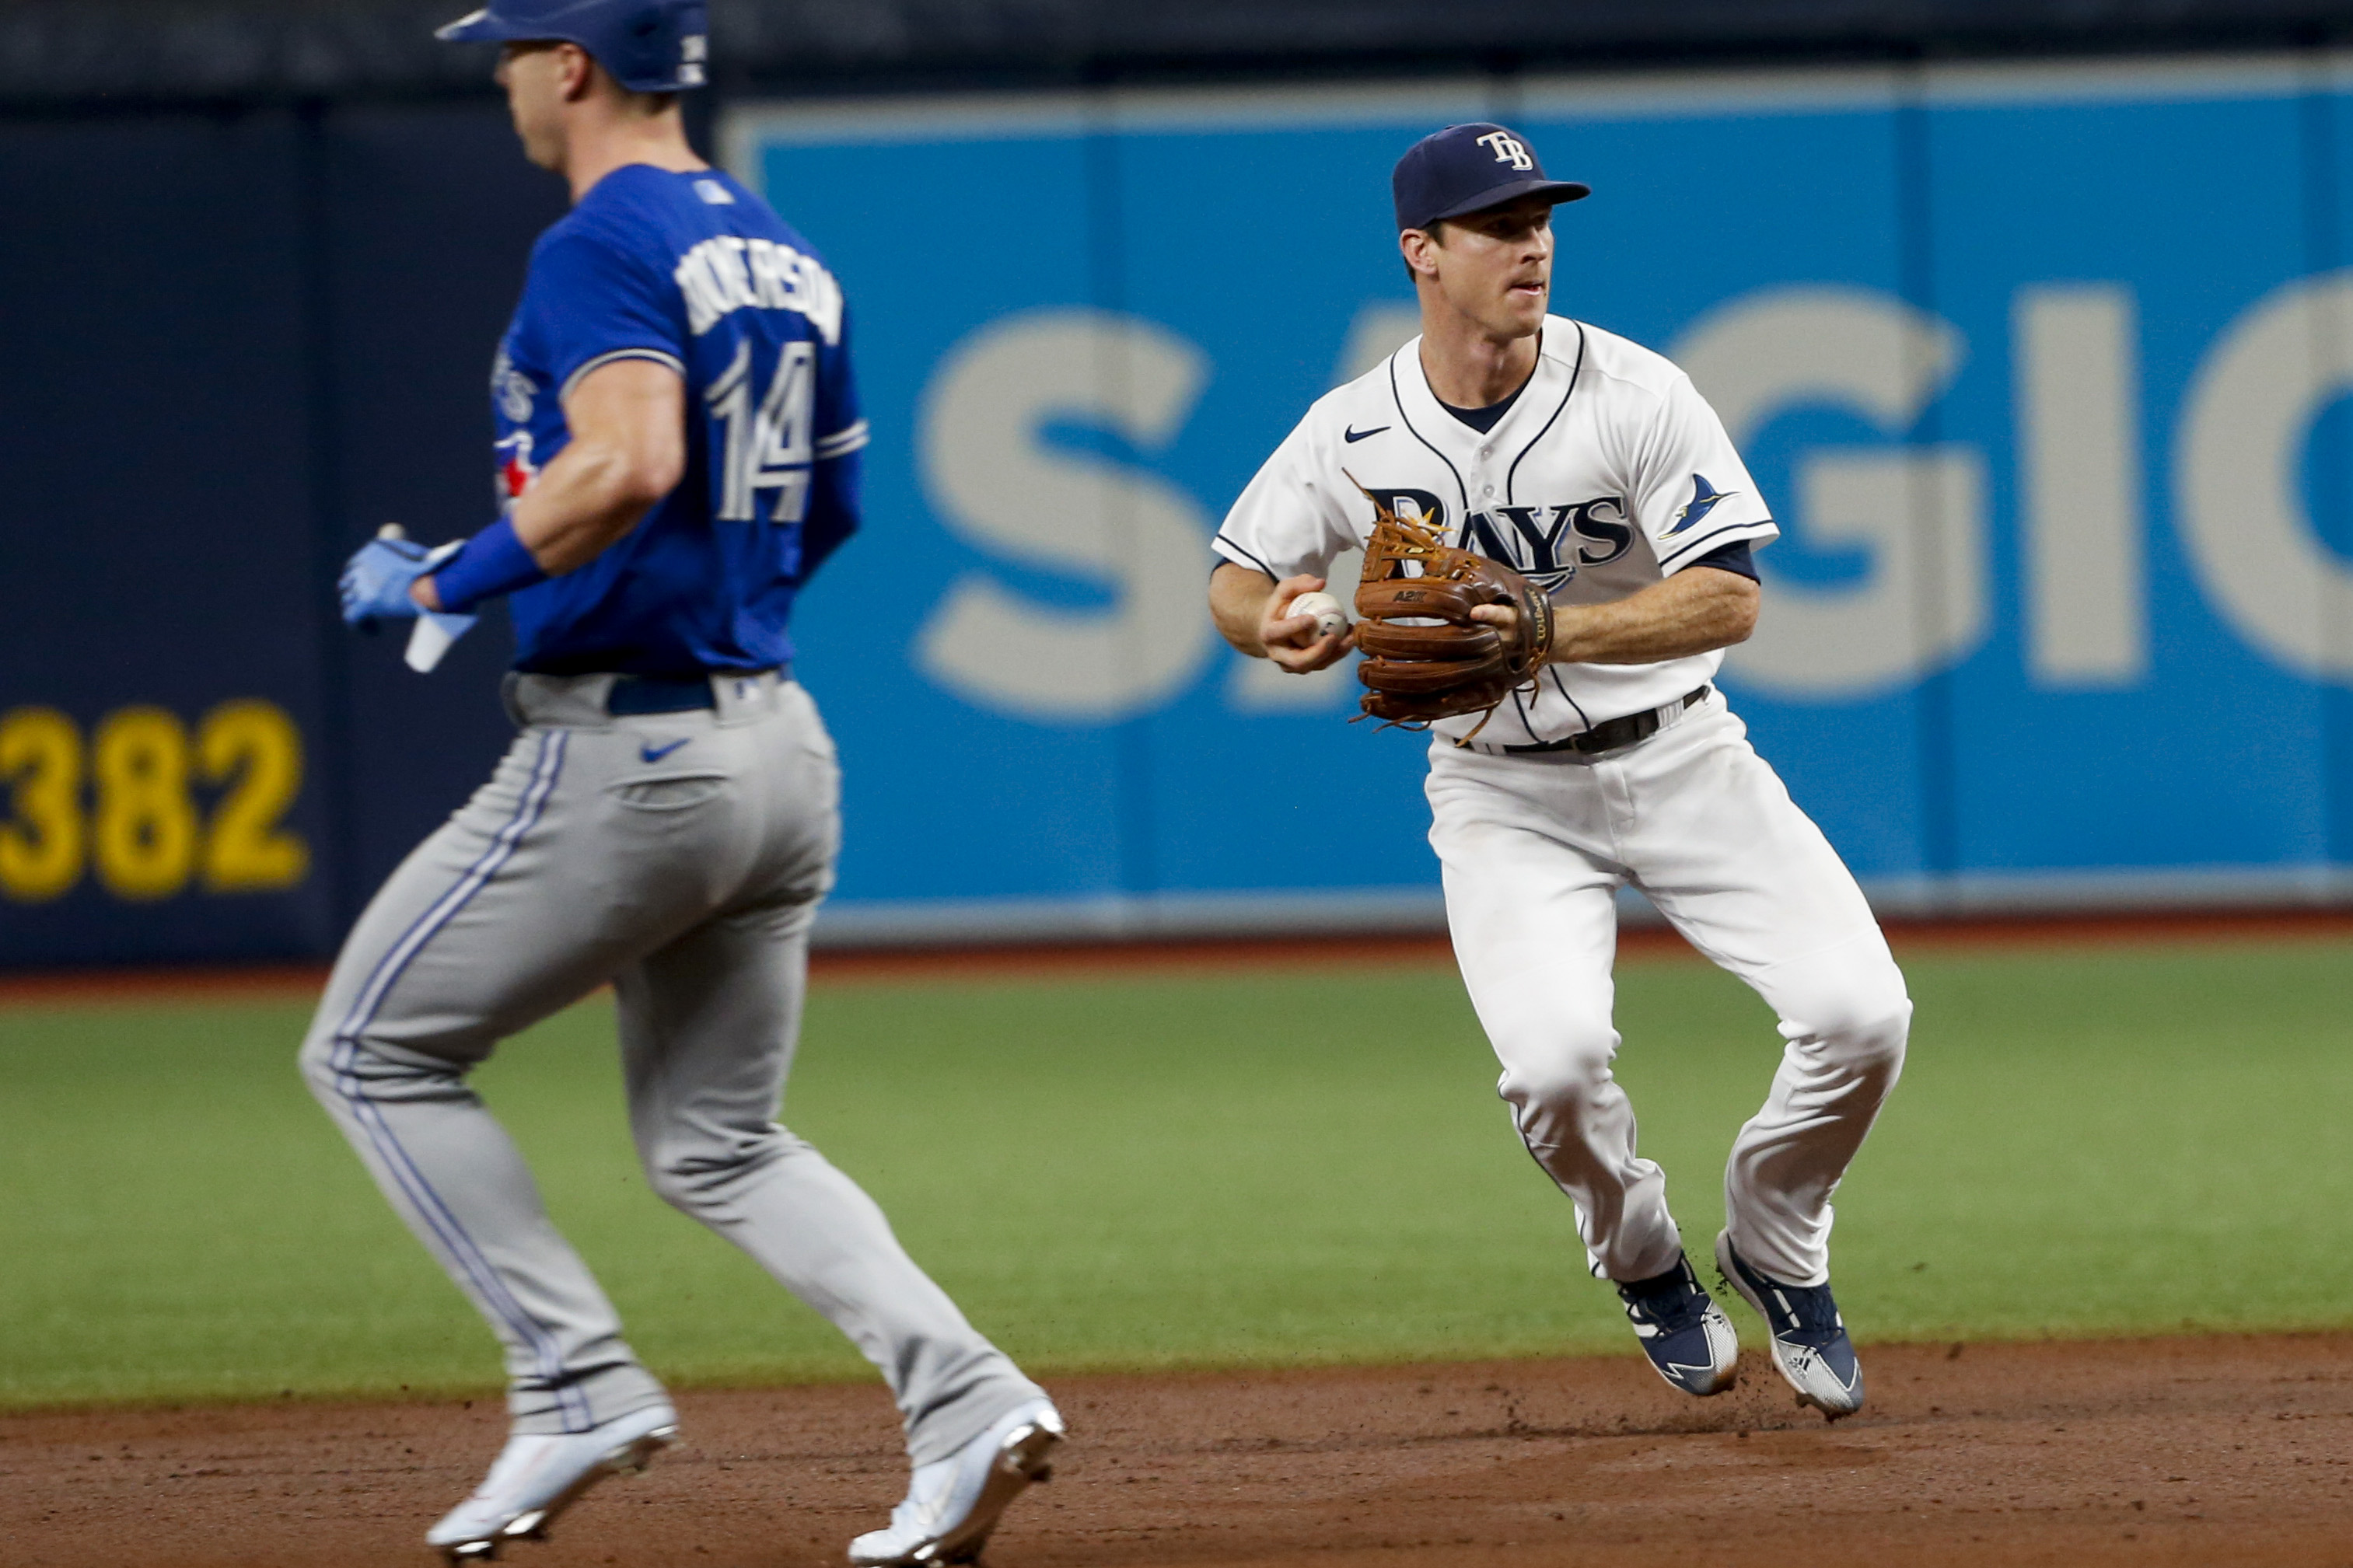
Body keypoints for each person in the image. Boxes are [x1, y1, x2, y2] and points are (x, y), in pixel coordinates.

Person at [309, 3, 1061, 1559]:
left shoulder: (599, 237)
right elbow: (833, 503)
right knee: (718, 1140)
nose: (505, 75)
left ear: (573, 66)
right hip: (777, 740)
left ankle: (575, 1382)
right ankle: (966, 1397)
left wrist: (451, 578)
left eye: (514, 49)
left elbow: (631, 456)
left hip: (628, 744)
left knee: (370, 1051)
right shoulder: (785, 252)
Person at [1207, 122, 1911, 1421]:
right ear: (1422, 253)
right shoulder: (1354, 427)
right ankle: (1643, 1257)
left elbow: (1727, 600)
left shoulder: (1636, 390)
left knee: (1863, 1016)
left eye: (1538, 217)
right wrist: (1274, 623)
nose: (1529, 242)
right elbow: (1236, 577)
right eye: (1493, 223)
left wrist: (1550, 628)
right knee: (1552, 1063)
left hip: (1682, 753)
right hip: (1498, 787)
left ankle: (1775, 1239)